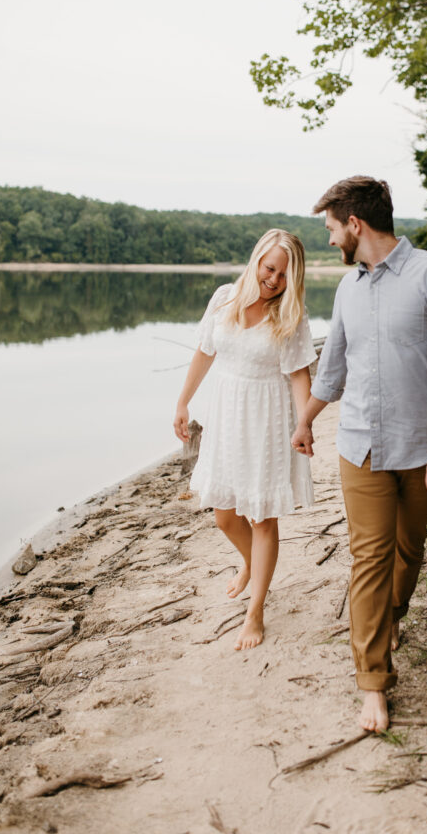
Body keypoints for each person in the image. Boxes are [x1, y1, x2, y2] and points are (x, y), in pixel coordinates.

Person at [291, 177, 427, 732]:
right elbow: (334, 367)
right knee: (369, 557)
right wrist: (305, 419)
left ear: (355, 224)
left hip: (421, 447)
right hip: (360, 447)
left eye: (330, 228)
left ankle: (392, 616)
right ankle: (373, 680)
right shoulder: (348, 290)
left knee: (408, 546)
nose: (328, 241)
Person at [174, 229, 317, 651]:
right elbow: (205, 350)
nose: (273, 279)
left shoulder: (291, 314)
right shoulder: (224, 298)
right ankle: (251, 565)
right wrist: (183, 401)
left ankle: (255, 613)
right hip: (226, 413)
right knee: (224, 515)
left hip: (267, 418)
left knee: (261, 517)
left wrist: (304, 422)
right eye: (269, 268)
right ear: (257, 261)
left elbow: (297, 374)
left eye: (283, 274)